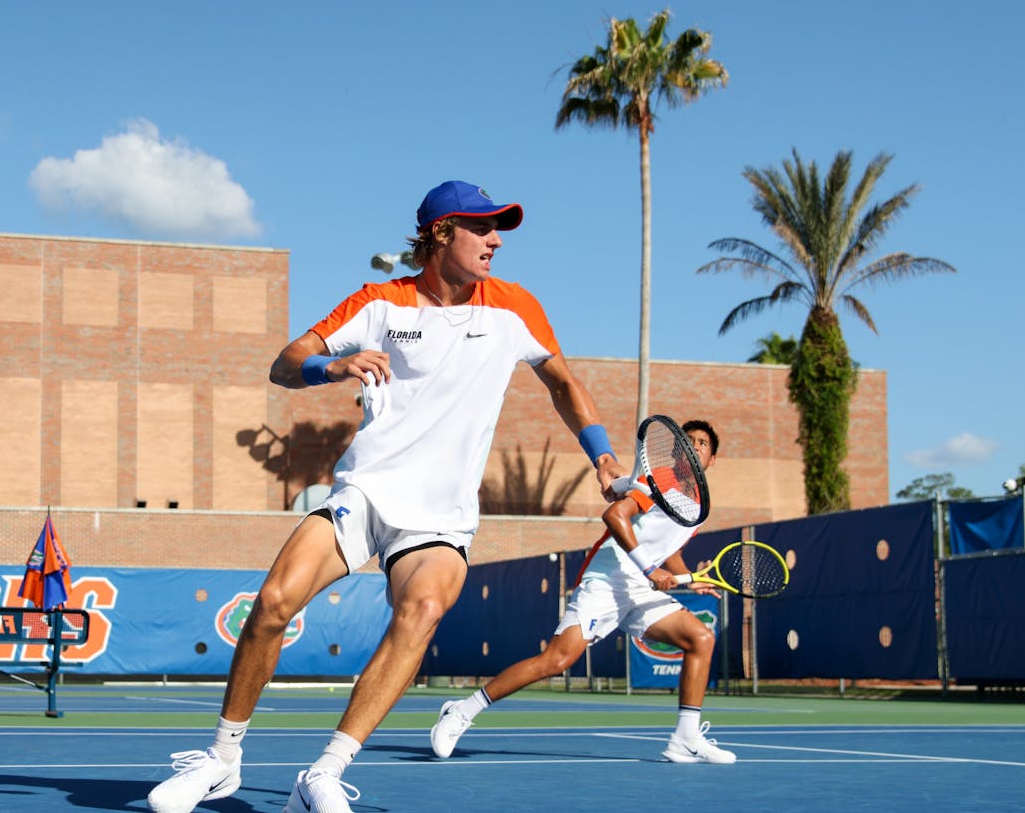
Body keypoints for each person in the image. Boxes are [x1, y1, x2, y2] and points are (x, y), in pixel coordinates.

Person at [147, 181, 625, 813]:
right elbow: (285, 364)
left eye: (499, 228)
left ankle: (324, 772)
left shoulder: (515, 308)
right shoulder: (380, 303)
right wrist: (333, 366)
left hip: (441, 515)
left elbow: (564, 385)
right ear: (441, 233)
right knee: (272, 602)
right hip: (367, 491)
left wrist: (605, 459)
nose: (496, 240)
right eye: (483, 228)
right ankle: (222, 759)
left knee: (423, 607)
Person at [429, 420, 735, 764]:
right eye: (688, 441)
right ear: (677, 452)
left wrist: (685, 577)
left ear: (712, 460)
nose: (694, 446)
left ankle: (686, 738)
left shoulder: (696, 507)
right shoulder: (660, 481)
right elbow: (615, 516)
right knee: (556, 660)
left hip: (640, 589)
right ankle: (461, 711)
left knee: (700, 639)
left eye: (703, 443)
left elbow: (669, 550)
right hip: (608, 578)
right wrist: (650, 569)